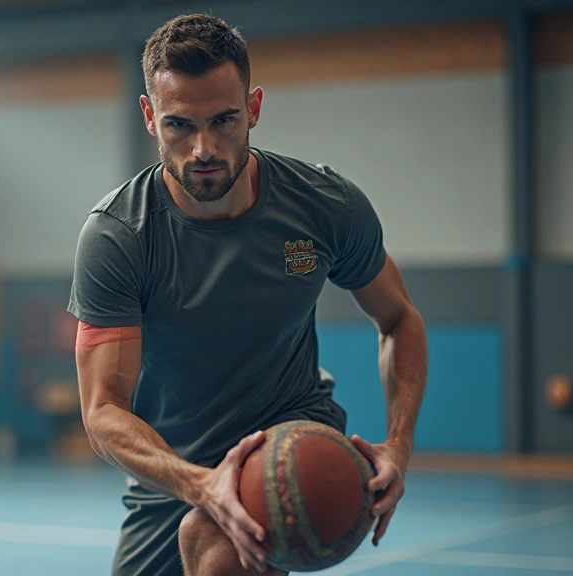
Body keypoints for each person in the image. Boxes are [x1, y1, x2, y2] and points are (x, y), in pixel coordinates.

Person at [68, 13, 428, 576]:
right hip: (173, 467)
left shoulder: (324, 206)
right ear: (149, 117)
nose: (203, 147)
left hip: (285, 433)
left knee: (215, 550)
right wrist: (198, 482)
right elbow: (103, 411)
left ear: (254, 108)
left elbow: (400, 319)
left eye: (224, 120)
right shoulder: (120, 236)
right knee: (195, 525)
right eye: (179, 126)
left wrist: (398, 444)